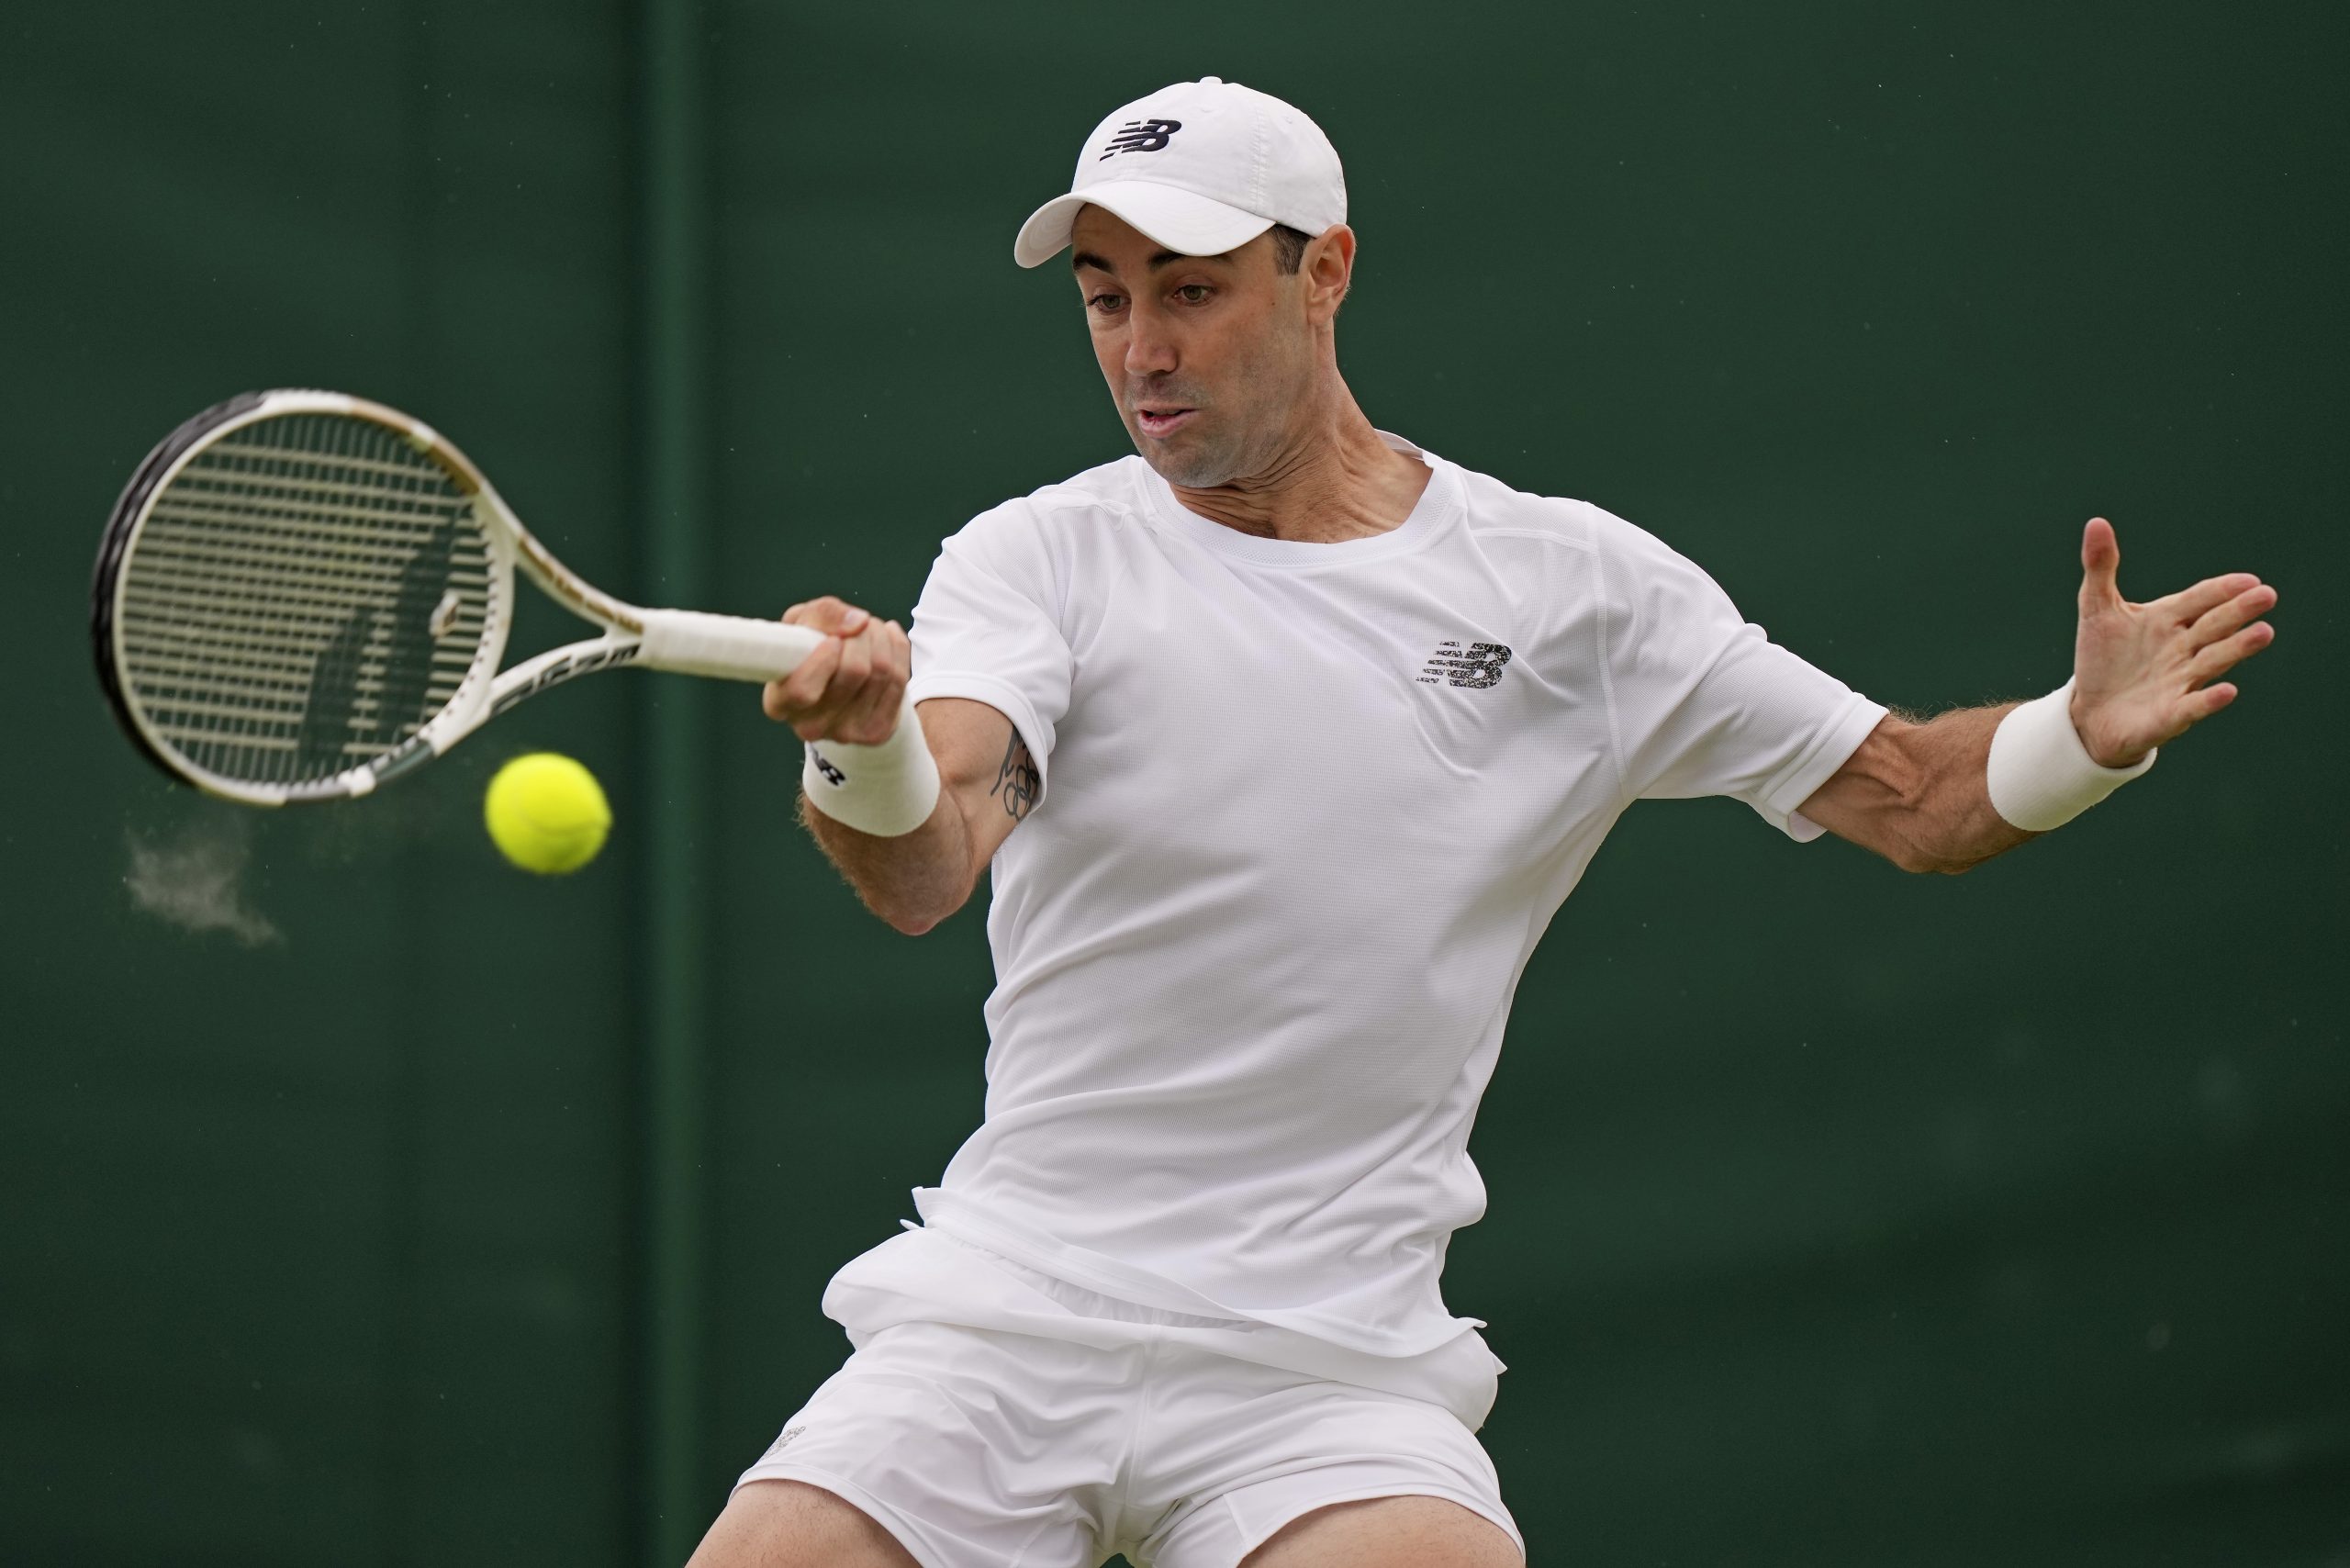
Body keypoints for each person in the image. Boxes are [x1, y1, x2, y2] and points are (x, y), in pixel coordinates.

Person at [687, 77, 2277, 1568]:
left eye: (1192, 291)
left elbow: (1918, 799)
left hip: (1327, 1371)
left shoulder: (1572, 590)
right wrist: (865, 750)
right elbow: (932, 859)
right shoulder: (1034, 559)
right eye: (1106, 300)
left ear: (1325, 272)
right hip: (1009, 1314)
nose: (1143, 350)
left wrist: (2080, 737)